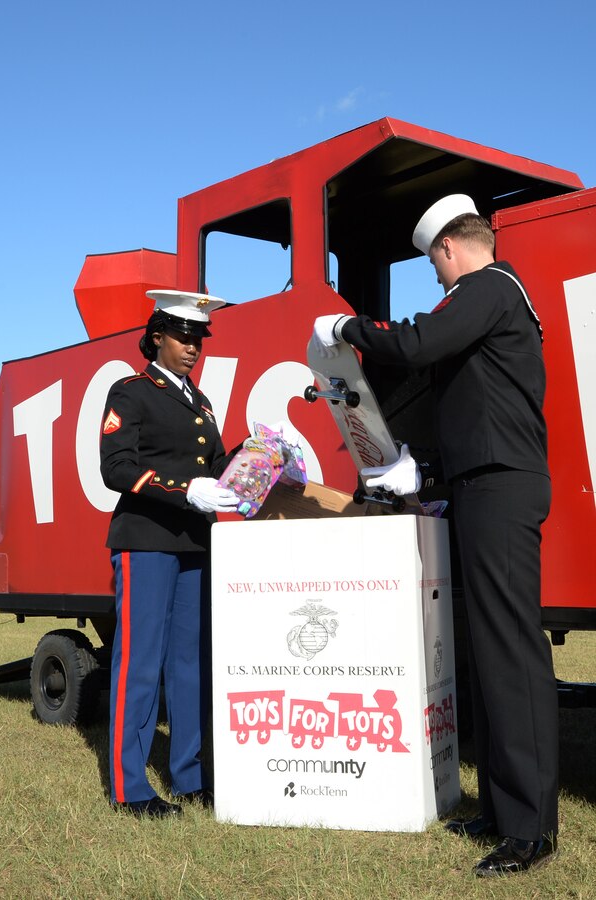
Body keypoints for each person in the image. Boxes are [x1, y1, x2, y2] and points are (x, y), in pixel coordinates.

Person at [312, 194, 558, 877]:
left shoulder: (486, 287)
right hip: (483, 479)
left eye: (434, 265)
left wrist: (350, 328)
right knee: (489, 651)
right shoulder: (498, 298)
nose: (437, 277)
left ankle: (530, 831)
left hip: (499, 485)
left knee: (508, 651)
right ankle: (507, 810)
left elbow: (417, 341)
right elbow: (472, 398)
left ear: (448, 249)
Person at [100, 290, 240, 818]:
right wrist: (186, 490)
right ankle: (128, 786)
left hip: (193, 542)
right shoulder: (131, 391)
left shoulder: (198, 401)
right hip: (146, 539)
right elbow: (115, 468)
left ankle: (189, 775)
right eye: (183, 336)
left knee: (190, 664)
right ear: (156, 335)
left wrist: (262, 455)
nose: (192, 346)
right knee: (140, 663)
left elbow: (219, 463)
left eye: (199, 337)